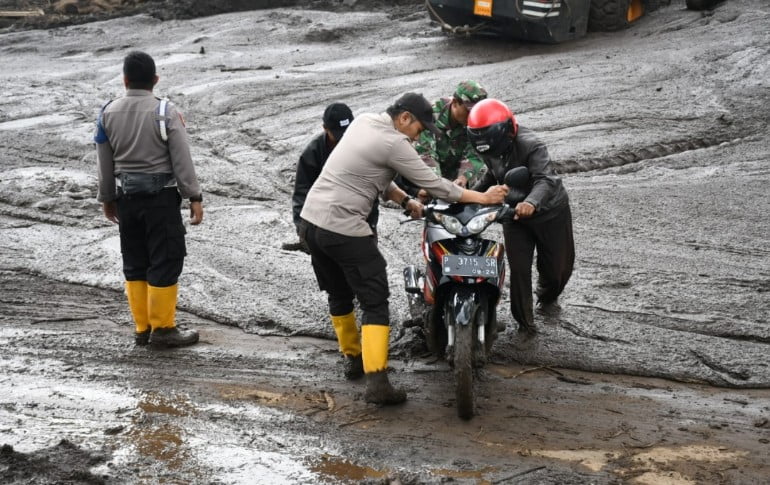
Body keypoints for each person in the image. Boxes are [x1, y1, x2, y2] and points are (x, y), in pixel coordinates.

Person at [299, 93, 509, 405]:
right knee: (375, 302)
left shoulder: (364, 123)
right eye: (420, 130)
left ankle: (353, 358)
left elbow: (372, 176)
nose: (419, 136)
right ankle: (378, 384)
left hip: (311, 224)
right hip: (344, 228)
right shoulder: (394, 142)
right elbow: (437, 185)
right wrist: (484, 198)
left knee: (339, 294)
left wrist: (405, 201)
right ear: (404, 118)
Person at [95, 51, 204, 348]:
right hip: (161, 201)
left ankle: (142, 329)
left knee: (135, 261)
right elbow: (181, 159)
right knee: (166, 259)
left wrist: (107, 197)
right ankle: (164, 329)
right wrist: (194, 196)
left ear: (125, 80)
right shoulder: (165, 112)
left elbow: (104, 161)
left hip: (126, 200)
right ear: (155, 80)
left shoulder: (107, 112)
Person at [466, 98, 575, 337]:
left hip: (549, 211)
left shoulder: (532, 145)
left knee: (557, 271)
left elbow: (545, 179)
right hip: (513, 215)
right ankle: (525, 325)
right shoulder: (489, 147)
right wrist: (470, 196)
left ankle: (547, 296)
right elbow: (491, 177)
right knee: (519, 269)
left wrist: (531, 202)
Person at [286, 103, 378, 251]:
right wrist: (303, 231)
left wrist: (371, 226)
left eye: (347, 134)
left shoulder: (363, 148)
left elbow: (375, 186)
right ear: (325, 129)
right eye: (338, 136)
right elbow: (302, 193)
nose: (343, 141)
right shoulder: (312, 154)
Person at [396, 80, 489, 199]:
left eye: (477, 111)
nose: (473, 115)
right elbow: (426, 154)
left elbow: (475, 153)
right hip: (428, 175)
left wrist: (463, 177)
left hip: (454, 174)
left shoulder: (476, 120)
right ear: (455, 103)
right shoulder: (430, 116)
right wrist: (440, 189)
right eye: (469, 111)